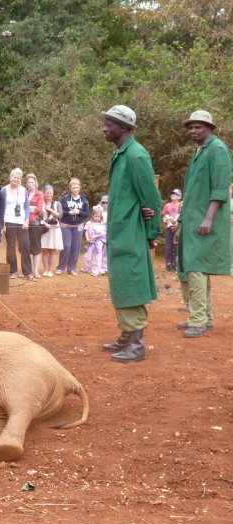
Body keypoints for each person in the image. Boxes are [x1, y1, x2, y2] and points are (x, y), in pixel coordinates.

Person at [100, 104, 161, 363]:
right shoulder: (120, 154)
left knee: (131, 281)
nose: (104, 128)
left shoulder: (136, 155)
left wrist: (151, 232)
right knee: (121, 281)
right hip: (120, 231)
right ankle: (127, 335)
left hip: (131, 233)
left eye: (109, 124)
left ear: (123, 128)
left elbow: (152, 198)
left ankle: (137, 345)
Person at [175, 110, 231, 338]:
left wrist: (209, 217)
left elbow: (220, 187)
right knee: (194, 268)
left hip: (205, 220)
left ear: (209, 128)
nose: (193, 130)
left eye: (198, 126)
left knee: (196, 268)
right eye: (190, 127)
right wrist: (181, 222)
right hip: (191, 220)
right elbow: (189, 193)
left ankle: (197, 320)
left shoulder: (218, 149)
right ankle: (205, 318)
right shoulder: (198, 152)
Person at [0, 168, 32, 280]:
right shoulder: (4, 189)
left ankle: (27, 272)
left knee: (25, 245)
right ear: (10, 177)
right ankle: (12, 271)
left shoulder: (24, 190)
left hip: (22, 221)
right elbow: (1, 207)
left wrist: (27, 220)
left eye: (18, 178)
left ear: (20, 179)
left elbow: (26, 206)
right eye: (14, 177)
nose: (16, 179)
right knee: (11, 246)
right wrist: (3, 224)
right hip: (9, 220)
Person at [56, 178, 89, 276]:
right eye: (73, 188)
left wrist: (79, 212)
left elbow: (87, 214)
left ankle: (71, 268)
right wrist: (68, 212)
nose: (75, 189)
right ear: (70, 188)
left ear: (80, 188)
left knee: (75, 247)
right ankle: (60, 267)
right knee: (66, 246)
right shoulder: (65, 198)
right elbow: (59, 211)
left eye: (77, 187)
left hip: (78, 226)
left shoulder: (83, 200)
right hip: (65, 225)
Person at [39, 185, 63, 277]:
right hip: (44, 228)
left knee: (52, 250)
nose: (49, 194)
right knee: (44, 250)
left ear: (53, 193)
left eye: (50, 193)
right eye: (47, 193)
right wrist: (45, 223)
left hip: (54, 228)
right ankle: (46, 269)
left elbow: (59, 215)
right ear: (44, 193)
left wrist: (49, 209)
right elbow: (39, 217)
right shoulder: (41, 203)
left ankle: (50, 270)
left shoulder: (57, 204)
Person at [26, 173, 44, 278]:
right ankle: (27, 270)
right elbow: (21, 208)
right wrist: (32, 208)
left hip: (35, 223)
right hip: (24, 223)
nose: (30, 184)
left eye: (32, 182)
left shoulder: (40, 194)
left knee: (36, 248)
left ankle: (36, 271)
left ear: (35, 183)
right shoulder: (24, 192)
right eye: (28, 182)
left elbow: (39, 209)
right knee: (25, 247)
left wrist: (28, 209)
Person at [82, 206, 107, 276]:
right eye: (95, 216)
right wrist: (88, 239)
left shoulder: (101, 224)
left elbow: (102, 233)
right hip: (90, 242)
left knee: (98, 256)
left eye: (98, 217)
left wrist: (94, 237)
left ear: (100, 217)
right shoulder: (89, 223)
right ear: (93, 216)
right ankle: (86, 268)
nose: (97, 218)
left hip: (98, 242)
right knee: (87, 256)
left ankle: (96, 271)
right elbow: (86, 232)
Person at [162, 190, 181, 272]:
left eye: (175, 194)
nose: (173, 195)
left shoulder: (181, 205)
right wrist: (167, 219)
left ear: (179, 197)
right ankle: (168, 265)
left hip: (178, 229)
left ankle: (176, 266)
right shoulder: (167, 205)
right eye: (172, 193)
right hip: (169, 229)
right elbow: (164, 216)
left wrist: (176, 222)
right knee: (168, 247)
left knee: (177, 248)